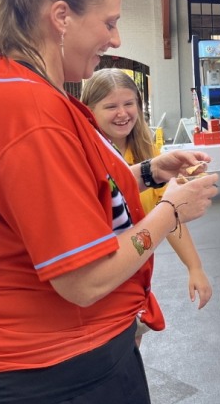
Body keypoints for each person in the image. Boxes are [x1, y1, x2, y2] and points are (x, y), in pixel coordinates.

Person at [0, 0, 218, 404]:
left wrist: (146, 172)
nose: (114, 38)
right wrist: (170, 211)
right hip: (50, 374)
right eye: (110, 22)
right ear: (61, 18)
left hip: (76, 355)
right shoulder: (30, 110)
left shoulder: (25, 91)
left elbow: (65, 193)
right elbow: (83, 279)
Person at [81, 68, 213, 345]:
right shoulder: (82, 154)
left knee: (130, 351)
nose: (122, 113)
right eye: (111, 106)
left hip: (133, 281)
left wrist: (195, 267)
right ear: (88, 110)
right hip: (96, 284)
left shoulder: (148, 152)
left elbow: (167, 214)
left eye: (129, 104)